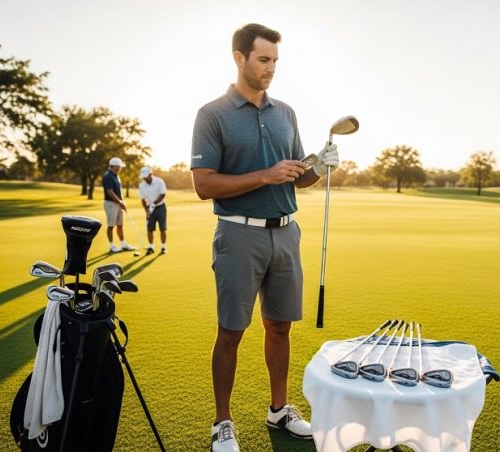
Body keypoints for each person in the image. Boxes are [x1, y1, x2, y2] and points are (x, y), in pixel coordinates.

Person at [190, 23, 339, 452]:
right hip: (238, 236)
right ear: (239, 58)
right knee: (231, 331)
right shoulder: (212, 114)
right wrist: (265, 175)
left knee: (280, 327)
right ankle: (222, 421)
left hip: (285, 234)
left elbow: (297, 179)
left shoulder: (285, 113)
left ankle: (279, 409)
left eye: (275, 61)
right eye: (263, 60)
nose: (271, 68)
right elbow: (204, 185)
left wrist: (320, 166)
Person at [102, 157, 135, 253]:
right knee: (111, 225)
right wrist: (120, 202)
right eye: (119, 167)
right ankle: (112, 245)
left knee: (120, 225)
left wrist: (122, 202)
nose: (120, 168)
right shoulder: (108, 176)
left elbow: (118, 191)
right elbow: (110, 192)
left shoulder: (116, 176)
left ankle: (123, 244)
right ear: (114, 166)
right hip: (110, 203)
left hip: (118, 203)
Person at [138, 166, 168, 255]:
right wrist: (146, 210)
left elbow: (162, 194)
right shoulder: (142, 185)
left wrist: (154, 204)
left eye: (145, 176)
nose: (144, 178)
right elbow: (143, 199)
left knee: (162, 228)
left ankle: (163, 247)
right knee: (150, 228)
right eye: (143, 176)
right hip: (149, 209)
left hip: (160, 207)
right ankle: (151, 247)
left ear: (150, 174)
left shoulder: (159, 181)